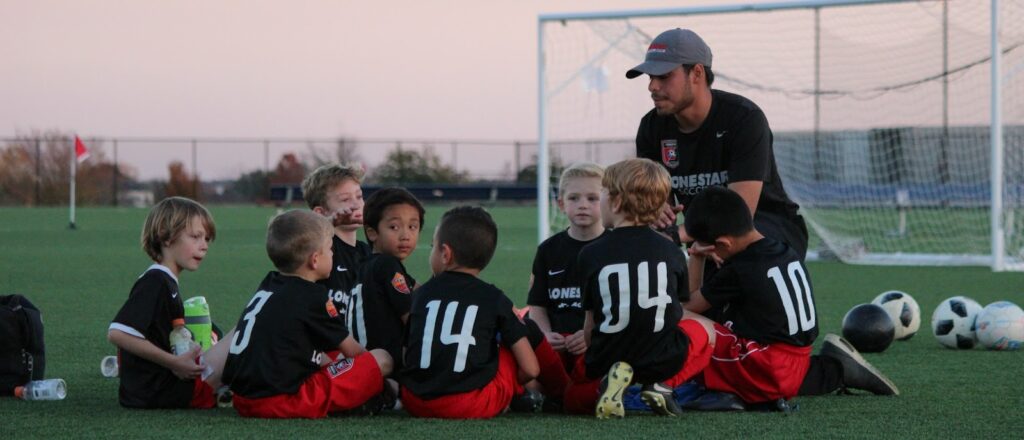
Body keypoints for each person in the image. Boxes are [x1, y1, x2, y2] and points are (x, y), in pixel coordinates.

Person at [683, 186, 898, 406]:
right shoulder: (784, 249)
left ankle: (666, 380)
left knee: (679, 317)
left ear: (723, 243)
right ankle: (836, 369)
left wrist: (696, 257)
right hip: (797, 364)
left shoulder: (740, 268)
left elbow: (690, 307)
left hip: (765, 369)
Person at [627, 28, 808, 262]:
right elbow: (658, 205)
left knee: (738, 251)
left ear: (697, 73)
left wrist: (676, 235)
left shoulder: (743, 118)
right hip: (703, 235)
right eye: (650, 77)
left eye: (663, 76)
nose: (652, 86)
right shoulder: (651, 127)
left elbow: (739, 215)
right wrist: (656, 210)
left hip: (765, 230)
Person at [562, 158, 716, 418]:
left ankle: (606, 386)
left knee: (572, 401)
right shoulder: (670, 250)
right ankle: (662, 385)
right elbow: (680, 307)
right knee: (707, 330)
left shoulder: (589, 253)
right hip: (659, 357)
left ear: (617, 202)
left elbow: (590, 326)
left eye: (601, 193)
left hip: (606, 355)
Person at [221, 210, 393, 418]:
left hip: (244, 399)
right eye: (330, 250)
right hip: (284, 400)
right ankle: (371, 399)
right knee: (381, 359)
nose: (333, 254)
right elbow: (354, 352)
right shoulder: (313, 296)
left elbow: (293, 348)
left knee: (330, 359)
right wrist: (371, 377)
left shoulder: (269, 284)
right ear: (314, 260)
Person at [400, 206, 540, 419]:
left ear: (445, 254)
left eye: (432, 247)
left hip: (414, 401)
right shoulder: (495, 298)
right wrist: (508, 383)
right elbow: (531, 369)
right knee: (506, 349)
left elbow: (407, 354)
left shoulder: (419, 295)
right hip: (468, 405)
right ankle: (521, 396)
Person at [107, 196, 221, 409]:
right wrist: (175, 363)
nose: (204, 246)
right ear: (166, 237)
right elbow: (118, 333)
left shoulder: (165, 281)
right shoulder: (156, 281)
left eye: (207, 239)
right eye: (196, 237)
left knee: (216, 333)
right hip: (162, 392)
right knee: (243, 336)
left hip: (158, 389)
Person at [526, 163, 606, 372]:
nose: (582, 205)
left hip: (599, 342)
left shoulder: (615, 247)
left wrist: (591, 333)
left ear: (608, 202)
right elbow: (537, 305)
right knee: (530, 373)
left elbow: (624, 308)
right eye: (574, 198)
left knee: (582, 392)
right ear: (561, 204)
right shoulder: (548, 250)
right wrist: (545, 335)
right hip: (556, 343)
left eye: (592, 198)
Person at [352, 187, 424, 368]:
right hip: (387, 366)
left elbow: (421, 290)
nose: (405, 235)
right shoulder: (387, 265)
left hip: (364, 361)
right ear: (372, 233)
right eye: (394, 227)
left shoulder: (366, 265)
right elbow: (413, 320)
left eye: (412, 227)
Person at [301, 163, 370, 319]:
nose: (356, 204)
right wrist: (329, 222)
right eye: (345, 199)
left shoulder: (367, 251)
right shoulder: (320, 251)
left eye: (359, 196)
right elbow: (298, 239)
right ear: (321, 212)